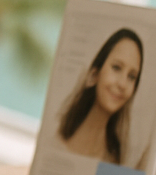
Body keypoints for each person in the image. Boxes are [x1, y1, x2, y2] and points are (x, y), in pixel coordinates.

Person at [56, 28, 144, 166]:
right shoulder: (55, 140)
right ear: (93, 75)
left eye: (131, 76)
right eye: (116, 68)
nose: (122, 84)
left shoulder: (115, 162)